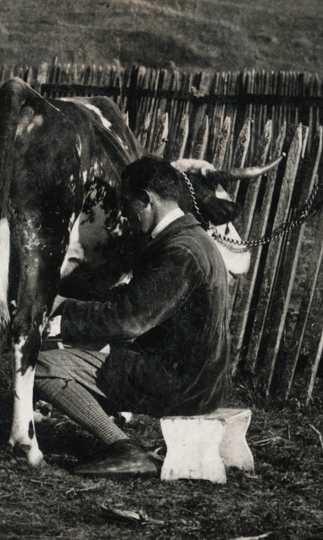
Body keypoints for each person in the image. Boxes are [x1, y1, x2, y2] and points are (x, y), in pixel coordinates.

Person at [37, 156, 235, 477]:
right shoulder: (192, 239)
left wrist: (63, 316)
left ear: (145, 200)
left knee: (41, 365)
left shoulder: (179, 251)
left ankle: (124, 448)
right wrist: (72, 305)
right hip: (197, 375)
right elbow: (138, 302)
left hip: (179, 384)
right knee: (87, 353)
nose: (121, 217)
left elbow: (130, 321)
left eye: (125, 204)